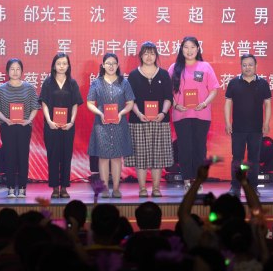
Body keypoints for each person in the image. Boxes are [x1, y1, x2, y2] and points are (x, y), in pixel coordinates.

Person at [169, 36, 219, 191]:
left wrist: (204, 103)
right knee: (184, 148)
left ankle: (198, 181)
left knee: (199, 148)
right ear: (181, 49)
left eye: (192, 47)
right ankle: (186, 180)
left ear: (198, 49)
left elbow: (214, 90)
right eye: (186, 47)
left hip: (201, 115)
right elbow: (167, 92)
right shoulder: (174, 68)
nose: (189, 51)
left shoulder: (205, 67)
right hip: (181, 115)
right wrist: (175, 105)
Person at [127, 42, 174, 198]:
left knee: (157, 156)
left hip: (160, 121)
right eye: (146, 53)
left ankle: (156, 188)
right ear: (141, 56)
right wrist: (139, 113)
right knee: (140, 156)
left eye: (152, 53)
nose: (149, 57)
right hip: (138, 121)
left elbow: (168, 97)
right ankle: (142, 188)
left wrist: (163, 112)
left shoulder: (164, 74)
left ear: (156, 56)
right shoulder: (133, 75)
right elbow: (130, 99)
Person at [86, 53, 134, 199]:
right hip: (102, 124)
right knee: (103, 157)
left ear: (118, 65)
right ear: (103, 65)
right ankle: (105, 189)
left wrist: (122, 113)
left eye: (114, 63)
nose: (111, 66)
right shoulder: (97, 83)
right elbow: (89, 103)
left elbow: (130, 103)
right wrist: (100, 113)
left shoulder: (124, 82)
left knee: (116, 157)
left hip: (119, 123)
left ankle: (117, 189)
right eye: (108, 63)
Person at [224, 54, 272, 197]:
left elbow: (267, 104)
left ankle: (253, 187)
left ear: (256, 65)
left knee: (254, 160)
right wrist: (227, 122)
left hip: (256, 128)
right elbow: (228, 103)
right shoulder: (234, 83)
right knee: (237, 159)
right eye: (244, 65)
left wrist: (266, 123)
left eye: (250, 64)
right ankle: (235, 187)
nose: (247, 67)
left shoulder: (263, 83)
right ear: (241, 66)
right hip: (238, 128)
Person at [0, 58, 40, 198]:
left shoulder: (29, 88)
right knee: (9, 156)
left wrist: (28, 120)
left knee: (23, 156)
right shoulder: (1, 90)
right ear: (7, 71)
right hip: (7, 127)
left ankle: (23, 188)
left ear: (22, 71)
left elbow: (35, 107)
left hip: (24, 127)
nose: (15, 72)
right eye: (12, 69)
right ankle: (11, 188)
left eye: (18, 69)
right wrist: (5, 119)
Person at [39, 53, 83, 199]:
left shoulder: (72, 83)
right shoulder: (48, 83)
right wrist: (49, 121)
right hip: (51, 126)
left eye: (64, 63)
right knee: (53, 156)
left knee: (66, 156)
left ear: (68, 66)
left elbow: (75, 104)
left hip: (67, 127)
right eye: (59, 63)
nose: (62, 66)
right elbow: (44, 103)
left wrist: (71, 122)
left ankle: (64, 187)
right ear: (54, 66)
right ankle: (54, 188)